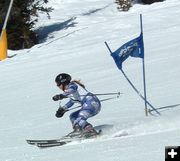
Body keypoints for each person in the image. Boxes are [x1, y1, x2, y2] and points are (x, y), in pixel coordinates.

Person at [52, 73, 101, 138]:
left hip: (91, 103)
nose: (58, 87)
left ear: (63, 83)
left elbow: (72, 90)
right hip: (90, 105)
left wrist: (61, 96)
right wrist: (62, 109)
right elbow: (71, 102)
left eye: (58, 84)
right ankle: (78, 130)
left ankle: (90, 131)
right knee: (73, 116)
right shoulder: (71, 92)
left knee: (80, 118)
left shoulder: (72, 85)